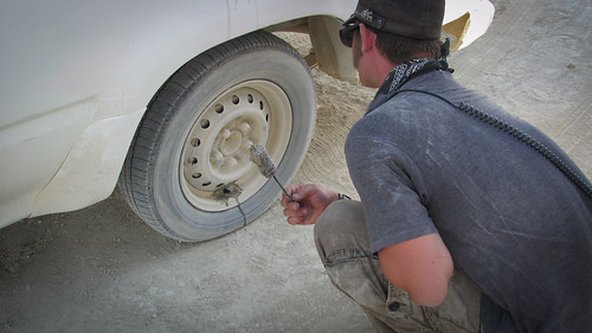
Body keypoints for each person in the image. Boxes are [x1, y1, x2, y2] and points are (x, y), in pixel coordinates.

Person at [280, 0, 592, 332]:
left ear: (367, 37)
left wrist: (349, 215)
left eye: (348, 36)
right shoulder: (464, 101)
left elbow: (427, 287)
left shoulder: (376, 133)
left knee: (338, 227)